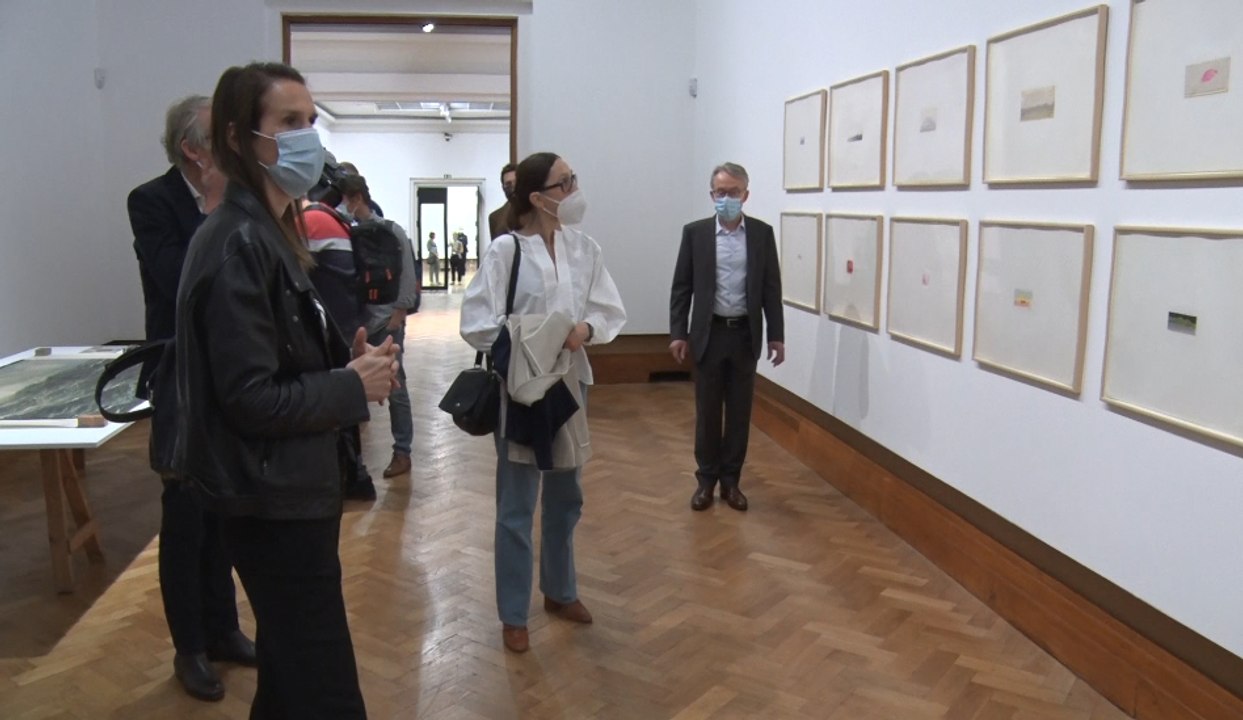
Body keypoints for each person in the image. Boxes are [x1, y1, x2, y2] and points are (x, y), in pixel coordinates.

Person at [174, 61, 398, 719]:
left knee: (288, 677)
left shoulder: (267, 232)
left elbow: (274, 358)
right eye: (289, 122)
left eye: (311, 120)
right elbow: (250, 398)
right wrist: (348, 386)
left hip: (286, 490)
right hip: (270, 500)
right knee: (326, 692)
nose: (307, 136)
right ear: (240, 138)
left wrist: (342, 363)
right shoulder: (238, 240)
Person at [460, 152, 626, 654]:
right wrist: (534, 337)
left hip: (569, 384)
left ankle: (560, 589)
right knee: (516, 503)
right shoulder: (506, 251)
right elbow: (476, 322)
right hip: (521, 388)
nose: (574, 189)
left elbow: (608, 308)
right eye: (564, 183)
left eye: (573, 178)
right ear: (536, 197)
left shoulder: (584, 248)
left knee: (566, 495)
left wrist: (585, 329)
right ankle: (514, 613)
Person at [126, 94, 255, 702]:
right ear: (191, 148)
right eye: (219, 135)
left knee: (221, 510)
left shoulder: (236, 197)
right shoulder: (151, 201)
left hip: (226, 373)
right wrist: (215, 207)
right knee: (183, 518)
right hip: (179, 376)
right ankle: (191, 647)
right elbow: (181, 277)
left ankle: (224, 629)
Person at [668, 162, 784, 513]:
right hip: (709, 334)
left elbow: (771, 288)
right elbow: (682, 287)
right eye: (721, 192)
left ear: (746, 195)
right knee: (707, 412)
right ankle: (706, 480)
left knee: (738, 412)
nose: (728, 198)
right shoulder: (695, 234)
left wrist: (776, 336)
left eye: (734, 192)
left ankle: (731, 481)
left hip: (744, 335)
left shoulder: (761, 234)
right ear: (712, 195)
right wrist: (678, 333)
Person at [339, 174, 419, 479]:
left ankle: (402, 451)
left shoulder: (391, 231)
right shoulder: (345, 233)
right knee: (351, 385)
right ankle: (352, 457)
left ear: (357, 198)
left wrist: (399, 312)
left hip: (386, 321)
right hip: (357, 323)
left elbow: (407, 273)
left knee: (396, 385)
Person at [488, 163, 517, 241]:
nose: (513, 187)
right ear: (503, 187)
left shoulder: (536, 211)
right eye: (508, 184)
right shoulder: (495, 217)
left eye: (516, 182)